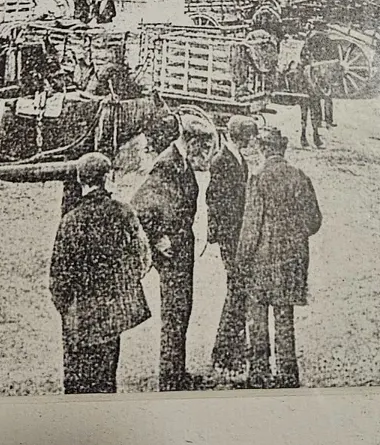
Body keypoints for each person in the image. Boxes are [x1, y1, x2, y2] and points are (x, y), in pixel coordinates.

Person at [49, 152, 151, 394]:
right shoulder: (124, 212)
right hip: (110, 315)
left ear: (80, 180)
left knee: (75, 381)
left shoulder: (71, 220)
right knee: (106, 380)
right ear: (108, 177)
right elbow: (142, 259)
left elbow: (57, 277)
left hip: (78, 316)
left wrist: (67, 308)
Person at [131, 113, 216, 391]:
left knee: (181, 311)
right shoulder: (167, 165)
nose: (203, 152)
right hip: (173, 253)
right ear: (189, 141)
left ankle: (176, 372)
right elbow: (141, 206)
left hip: (181, 248)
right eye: (201, 145)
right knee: (175, 312)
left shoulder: (178, 161)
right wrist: (157, 238)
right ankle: (170, 378)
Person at [237, 127, 322, 390]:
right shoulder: (300, 177)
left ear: (263, 148)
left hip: (263, 260)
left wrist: (242, 259)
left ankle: (259, 372)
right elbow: (314, 221)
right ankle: (287, 372)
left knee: (258, 314)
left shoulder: (258, 178)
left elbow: (251, 225)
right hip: (292, 260)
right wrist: (294, 237)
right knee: (285, 316)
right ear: (283, 148)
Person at [206, 115, 257, 376]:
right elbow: (215, 200)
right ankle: (224, 353)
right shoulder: (222, 160)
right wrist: (227, 236)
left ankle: (232, 348)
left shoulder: (235, 157)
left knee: (239, 291)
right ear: (242, 136)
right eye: (250, 137)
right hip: (231, 237)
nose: (253, 142)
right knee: (237, 290)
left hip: (237, 235)